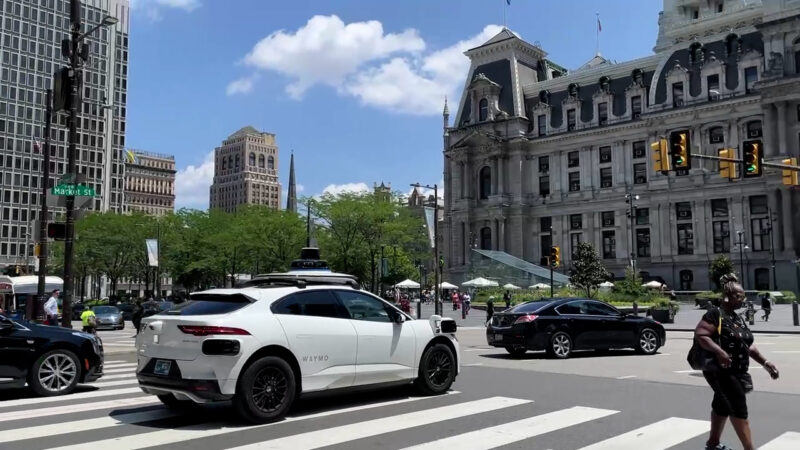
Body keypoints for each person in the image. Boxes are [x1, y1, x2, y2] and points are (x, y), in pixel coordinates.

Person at [694, 273, 779, 450]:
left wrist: (765, 363)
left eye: (743, 296)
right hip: (720, 370)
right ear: (727, 297)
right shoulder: (714, 314)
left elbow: (748, 345)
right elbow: (701, 335)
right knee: (738, 407)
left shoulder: (736, 317)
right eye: (739, 296)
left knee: (722, 404)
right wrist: (720, 352)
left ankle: (713, 444)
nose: (742, 299)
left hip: (736, 370)